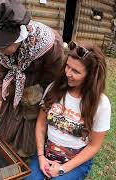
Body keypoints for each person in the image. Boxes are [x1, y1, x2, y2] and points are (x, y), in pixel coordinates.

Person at [0, 0, 65, 157]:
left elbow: (55, 79)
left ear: (18, 37)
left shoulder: (49, 43)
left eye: (4, 47)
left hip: (40, 87)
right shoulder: (1, 50)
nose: (0, 51)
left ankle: (29, 148)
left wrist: (38, 99)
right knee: (7, 131)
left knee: (30, 126)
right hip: (15, 86)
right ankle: (9, 145)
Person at [25, 41, 111, 179]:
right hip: (47, 153)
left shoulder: (101, 104)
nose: (67, 73)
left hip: (75, 162)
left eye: (76, 71)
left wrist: (62, 169)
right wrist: (41, 156)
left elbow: (94, 146)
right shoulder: (54, 89)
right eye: (67, 66)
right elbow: (41, 125)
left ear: (91, 76)